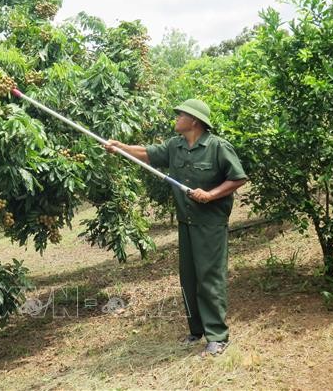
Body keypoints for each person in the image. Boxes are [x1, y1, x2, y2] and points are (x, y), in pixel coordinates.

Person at [104, 98, 247, 356]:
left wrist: (211, 194)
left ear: (193, 120)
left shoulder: (217, 147)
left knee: (209, 279)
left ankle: (218, 336)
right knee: (189, 278)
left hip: (210, 224)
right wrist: (120, 147)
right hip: (187, 223)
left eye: (180, 114)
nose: (176, 117)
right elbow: (148, 153)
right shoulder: (175, 146)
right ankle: (197, 330)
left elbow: (238, 177)